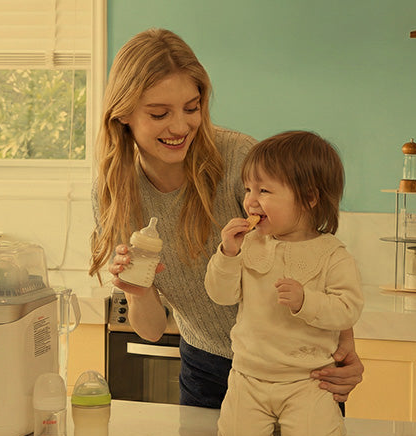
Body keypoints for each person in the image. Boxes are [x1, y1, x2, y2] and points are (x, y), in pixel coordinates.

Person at [88, 27, 363, 409]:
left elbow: (311, 251)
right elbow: (151, 331)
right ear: (123, 115)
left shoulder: (238, 161)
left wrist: (344, 345)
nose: (181, 126)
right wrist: (137, 290)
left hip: (295, 367)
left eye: (192, 107)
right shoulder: (114, 195)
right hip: (206, 368)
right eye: (159, 113)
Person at [204, 130, 363, 436]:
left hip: (307, 379)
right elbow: (220, 295)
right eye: (248, 189)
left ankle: (321, 421)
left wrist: (307, 302)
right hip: (249, 374)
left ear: (309, 197)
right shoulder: (248, 244)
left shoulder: (332, 254)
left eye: (263, 190)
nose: (250, 200)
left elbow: (348, 309)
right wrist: (227, 254)